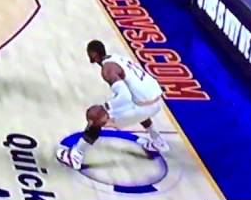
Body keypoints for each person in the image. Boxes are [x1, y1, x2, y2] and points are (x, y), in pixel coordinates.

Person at [57, 40, 169, 171]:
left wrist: (105, 108)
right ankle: (158, 141)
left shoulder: (107, 70)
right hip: (157, 102)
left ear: (93, 55)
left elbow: (124, 96)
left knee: (96, 116)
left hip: (142, 108)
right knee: (137, 99)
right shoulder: (119, 58)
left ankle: (76, 156)